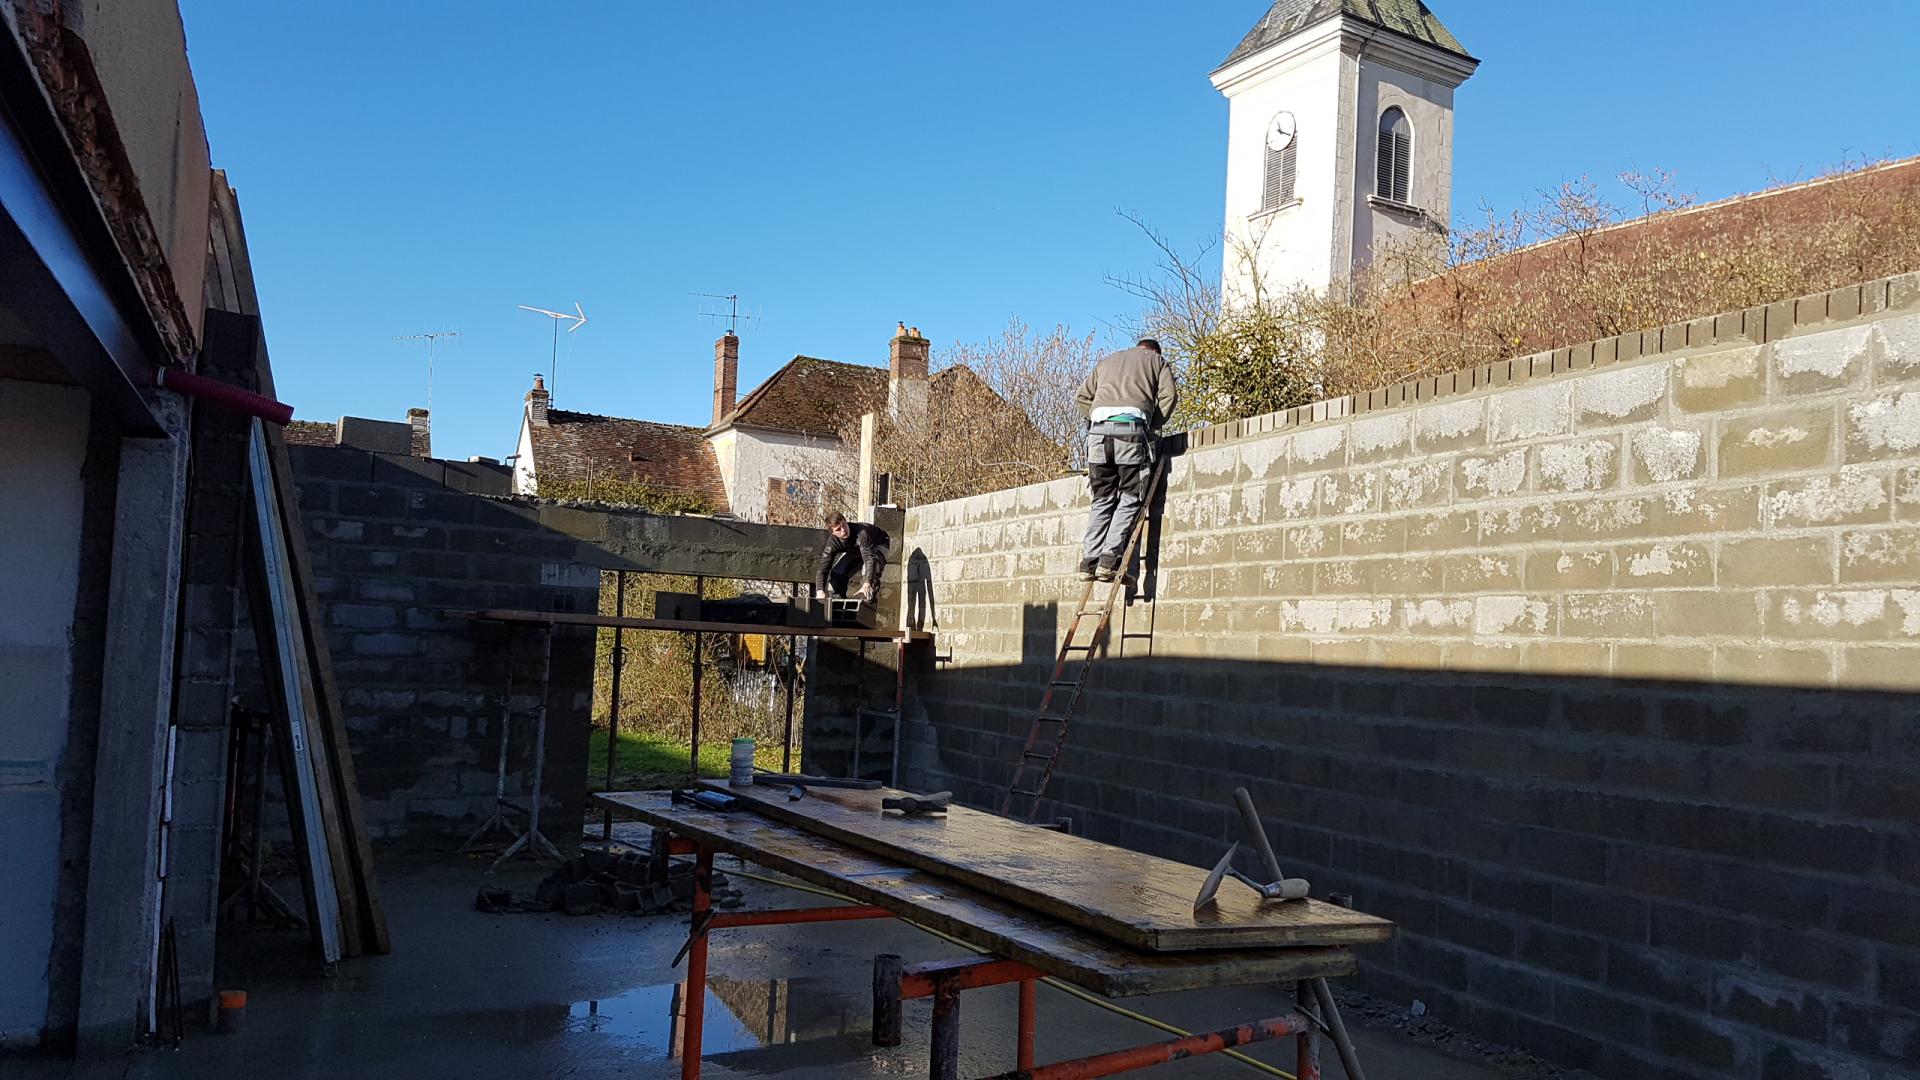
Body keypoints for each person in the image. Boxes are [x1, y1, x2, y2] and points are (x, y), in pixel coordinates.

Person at [1074, 338, 1178, 582]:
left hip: (1097, 436)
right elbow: (1169, 397)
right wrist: (1151, 427)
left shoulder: (1108, 360)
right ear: (1155, 351)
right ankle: (1108, 560)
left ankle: (1089, 561)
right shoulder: (1157, 361)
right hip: (1130, 432)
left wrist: (1099, 421)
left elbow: (1082, 397)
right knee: (1131, 496)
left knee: (1102, 499)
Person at [815, 511, 890, 601]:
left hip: (878, 544)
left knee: (870, 575)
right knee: (837, 576)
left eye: (844, 525)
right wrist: (820, 591)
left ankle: (867, 603)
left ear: (846, 522)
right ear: (833, 533)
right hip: (855, 551)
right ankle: (839, 608)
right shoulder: (832, 543)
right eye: (838, 529)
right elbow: (823, 567)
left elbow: (870, 559)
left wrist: (867, 584)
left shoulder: (861, 533)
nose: (843, 530)